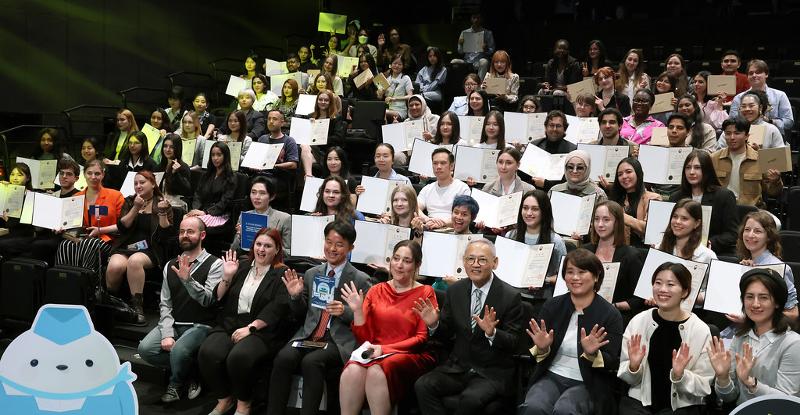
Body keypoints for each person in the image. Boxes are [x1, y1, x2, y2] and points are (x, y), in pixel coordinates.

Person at [267, 221, 373, 415]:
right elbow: (300, 314)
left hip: (337, 339)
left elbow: (365, 320)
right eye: (328, 242)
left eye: (339, 244)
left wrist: (345, 311)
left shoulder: (360, 279)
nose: (332, 248)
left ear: (351, 248)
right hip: (308, 334)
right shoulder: (311, 273)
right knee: (283, 357)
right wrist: (295, 296)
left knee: (312, 362)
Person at [414, 238, 524, 415]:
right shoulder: (455, 290)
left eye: (482, 260)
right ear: (464, 262)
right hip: (458, 367)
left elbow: (514, 342)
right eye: (470, 259)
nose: (475, 265)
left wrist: (492, 333)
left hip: (491, 372)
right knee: (423, 386)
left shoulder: (510, 296)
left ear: (495, 263)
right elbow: (447, 332)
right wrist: (434, 324)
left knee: (470, 400)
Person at [520, 249, 623, 415]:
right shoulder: (553, 306)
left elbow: (612, 362)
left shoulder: (610, 315)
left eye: (582, 272)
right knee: (534, 406)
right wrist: (542, 348)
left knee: (565, 410)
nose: (575, 278)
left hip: (587, 381)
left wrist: (592, 354)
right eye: (570, 272)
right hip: (551, 374)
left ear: (596, 276)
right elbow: (535, 354)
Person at [339, 240, 437, 414]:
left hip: (410, 354)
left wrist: (383, 349)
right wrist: (357, 312)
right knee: (352, 370)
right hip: (375, 351)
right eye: (396, 259)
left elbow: (421, 339)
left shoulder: (425, 292)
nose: (399, 265)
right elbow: (364, 340)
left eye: (406, 261)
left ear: (417, 265)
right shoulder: (376, 290)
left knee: (376, 371)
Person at [200, 229, 291, 415]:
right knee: (208, 352)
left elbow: (278, 307)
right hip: (230, 323)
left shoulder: (281, 273)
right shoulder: (241, 265)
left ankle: (244, 403)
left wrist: (251, 328)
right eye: (258, 244)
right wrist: (227, 276)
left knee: (238, 357)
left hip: (261, 329)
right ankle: (224, 399)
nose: (262, 249)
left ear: (277, 250)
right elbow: (218, 297)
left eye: (268, 246)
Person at [137, 216, 223, 403]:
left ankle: (175, 385)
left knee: (178, 351)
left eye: (190, 232)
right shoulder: (170, 265)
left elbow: (208, 300)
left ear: (202, 235)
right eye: (182, 232)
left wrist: (188, 280)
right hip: (175, 323)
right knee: (145, 349)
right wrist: (167, 332)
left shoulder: (216, 264)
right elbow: (165, 303)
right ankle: (193, 372)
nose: (184, 235)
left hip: (201, 325)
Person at [618, 262, 714, 414]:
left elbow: (704, 385)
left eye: (671, 284)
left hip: (683, 407)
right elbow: (626, 377)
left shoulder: (700, 330)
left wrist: (680, 375)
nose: (663, 289)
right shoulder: (639, 321)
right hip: (639, 404)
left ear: (685, 291)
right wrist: (634, 367)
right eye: (658, 283)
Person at [708, 268, 800, 404]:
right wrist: (723, 377)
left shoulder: (793, 343)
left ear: (777, 303)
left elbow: (786, 402)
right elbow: (729, 397)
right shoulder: (740, 337)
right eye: (749, 297)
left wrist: (751, 383)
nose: (755, 304)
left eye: (763, 297)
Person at [105, 170, 174, 323]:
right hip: (126, 246)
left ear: (153, 184)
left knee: (134, 261)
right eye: (135, 183)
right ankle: (112, 304)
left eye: (142, 182)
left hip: (151, 249)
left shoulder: (161, 203)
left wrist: (162, 212)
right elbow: (123, 227)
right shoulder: (130, 201)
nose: (138, 186)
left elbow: (165, 236)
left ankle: (138, 307)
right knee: (115, 266)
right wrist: (136, 208)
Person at [55, 159, 124, 274]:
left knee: (89, 244)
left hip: (107, 239)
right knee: (65, 244)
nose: (93, 177)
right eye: (89, 173)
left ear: (103, 174)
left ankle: (87, 282)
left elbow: (122, 225)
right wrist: (62, 228)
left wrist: (100, 230)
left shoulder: (115, 195)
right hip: (81, 237)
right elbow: (70, 223)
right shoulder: (76, 197)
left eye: (97, 173)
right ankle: (66, 280)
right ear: (84, 175)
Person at [583, 200, 645, 322]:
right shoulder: (585, 251)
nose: (600, 224)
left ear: (617, 223)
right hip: (584, 311)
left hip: (616, 316)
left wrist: (614, 306)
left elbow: (638, 299)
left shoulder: (630, 255)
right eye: (596, 219)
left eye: (606, 220)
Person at [669, 149, 738, 256]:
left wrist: (708, 243)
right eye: (688, 168)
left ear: (707, 170)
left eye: (697, 168)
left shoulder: (724, 196)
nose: (691, 172)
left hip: (713, 252)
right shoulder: (676, 197)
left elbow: (732, 234)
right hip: (679, 251)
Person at [735, 211, 799, 320]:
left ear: (769, 237)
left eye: (757, 231)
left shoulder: (779, 269)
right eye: (747, 230)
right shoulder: (745, 264)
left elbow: (793, 314)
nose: (750, 235)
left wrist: (751, 318)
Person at [505, 190, 568, 298]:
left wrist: (544, 280)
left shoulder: (556, 240)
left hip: (542, 299)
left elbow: (565, 276)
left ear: (544, 212)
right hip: (512, 297)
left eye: (535, 209)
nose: (529, 213)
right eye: (525, 208)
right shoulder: (510, 236)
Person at [711, 117, 783, 208]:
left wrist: (775, 181)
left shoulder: (760, 159)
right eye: (728, 134)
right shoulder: (714, 158)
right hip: (722, 209)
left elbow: (773, 192)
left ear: (747, 136)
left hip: (750, 211)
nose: (732, 137)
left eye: (737, 133)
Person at [28, 159, 83, 263]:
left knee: (39, 245)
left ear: (76, 178)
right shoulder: (52, 196)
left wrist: (64, 229)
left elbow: (79, 225)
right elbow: (39, 227)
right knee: (33, 243)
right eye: (61, 173)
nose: (64, 176)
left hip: (66, 236)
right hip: (47, 234)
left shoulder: (79, 197)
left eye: (68, 174)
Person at [729, 59, 794, 137]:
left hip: (773, 136)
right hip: (745, 137)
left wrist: (770, 121)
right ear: (747, 77)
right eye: (751, 73)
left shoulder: (780, 95)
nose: (754, 75)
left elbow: (789, 122)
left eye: (758, 72)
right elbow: (732, 122)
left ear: (766, 74)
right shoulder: (738, 98)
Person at [607, 157, 662, 248]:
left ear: (638, 173)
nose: (624, 176)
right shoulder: (616, 200)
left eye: (628, 172)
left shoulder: (654, 198)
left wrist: (623, 217)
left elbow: (651, 230)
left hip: (644, 250)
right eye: (620, 174)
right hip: (620, 249)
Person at [231, 176, 291, 256]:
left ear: (272, 197)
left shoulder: (284, 218)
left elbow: (288, 253)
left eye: (262, 193)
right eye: (253, 192)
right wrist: (239, 235)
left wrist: (270, 246)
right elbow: (233, 251)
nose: (257, 197)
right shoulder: (245, 216)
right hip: (248, 260)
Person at [417, 148, 470, 230]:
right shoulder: (427, 188)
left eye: (443, 163)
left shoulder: (462, 188)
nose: (438, 167)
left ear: (451, 166)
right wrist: (427, 219)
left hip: (453, 230)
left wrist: (442, 223)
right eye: (435, 163)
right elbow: (416, 208)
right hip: (430, 228)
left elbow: (464, 216)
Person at [187, 142, 237, 227]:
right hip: (202, 211)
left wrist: (205, 212)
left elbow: (225, 202)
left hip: (219, 214)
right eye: (213, 155)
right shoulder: (206, 175)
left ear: (225, 156)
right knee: (186, 218)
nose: (215, 158)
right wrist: (196, 209)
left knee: (193, 224)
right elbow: (198, 195)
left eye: (219, 155)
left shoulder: (231, 177)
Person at [718, 92, 785, 150]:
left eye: (751, 106)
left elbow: (780, 157)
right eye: (743, 106)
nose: (747, 109)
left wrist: (759, 153)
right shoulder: (730, 129)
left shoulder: (772, 130)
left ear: (760, 108)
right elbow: (718, 153)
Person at [659, 199, 717, 264]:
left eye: (684, 218)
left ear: (697, 223)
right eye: (675, 216)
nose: (677, 221)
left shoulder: (707, 256)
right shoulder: (659, 248)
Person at [530, 110, 576, 190]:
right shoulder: (535, 146)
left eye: (558, 126)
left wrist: (547, 184)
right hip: (535, 191)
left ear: (564, 129)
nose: (554, 129)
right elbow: (524, 174)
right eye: (551, 125)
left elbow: (573, 178)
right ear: (546, 127)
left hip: (561, 192)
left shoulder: (573, 150)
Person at [256, 110, 300, 176]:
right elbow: (255, 159)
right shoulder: (262, 139)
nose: (271, 122)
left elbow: (293, 164)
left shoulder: (289, 141)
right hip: (260, 174)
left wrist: (273, 166)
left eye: (274, 119)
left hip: (278, 176)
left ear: (282, 123)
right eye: (269, 119)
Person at [154, 134, 192, 209]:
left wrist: (176, 174)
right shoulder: (158, 167)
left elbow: (187, 191)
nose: (167, 149)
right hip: (160, 201)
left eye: (172, 147)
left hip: (177, 204)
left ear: (177, 149)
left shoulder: (183, 167)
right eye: (165, 146)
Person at [453, 13, 495, 79]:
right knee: (454, 61)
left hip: (479, 61)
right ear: (471, 19)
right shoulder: (464, 32)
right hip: (467, 60)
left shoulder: (487, 33)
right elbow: (460, 52)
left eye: (478, 18)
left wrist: (486, 49)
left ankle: (479, 86)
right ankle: (457, 84)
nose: (476, 20)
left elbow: (492, 50)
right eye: (474, 17)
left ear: (481, 19)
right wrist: (461, 45)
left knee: (484, 62)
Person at [378, 55, 414, 121]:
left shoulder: (406, 78)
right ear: (391, 65)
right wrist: (380, 93)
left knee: (382, 113)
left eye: (399, 64)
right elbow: (380, 97)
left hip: (400, 110)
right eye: (394, 63)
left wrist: (395, 99)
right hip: (388, 108)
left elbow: (410, 96)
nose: (396, 66)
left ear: (403, 66)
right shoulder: (386, 79)